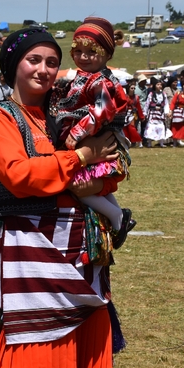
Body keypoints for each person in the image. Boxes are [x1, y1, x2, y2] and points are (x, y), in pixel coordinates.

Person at [0, 27, 122, 368]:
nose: (45, 69)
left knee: (61, 351)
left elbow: (107, 169)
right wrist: (82, 157)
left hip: (73, 248)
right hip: (22, 253)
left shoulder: (61, 115)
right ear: (14, 64)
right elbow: (21, 176)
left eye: (52, 61)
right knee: (24, 349)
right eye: (35, 60)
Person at [53, 17, 136, 248]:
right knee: (90, 185)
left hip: (95, 138)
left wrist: (77, 133)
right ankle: (118, 215)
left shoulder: (101, 81)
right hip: (91, 139)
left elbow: (103, 109)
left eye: (92, 51)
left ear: (107, 54)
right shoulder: (85, 77)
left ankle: (117, 217)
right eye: (78, 51)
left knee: (78, 185)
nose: (83, 56)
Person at [143, 77, 171, 146]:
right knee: (150, 127)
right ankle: (149, 143)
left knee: (161, 126)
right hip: (152, 113)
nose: (159, 86)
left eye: (160, 84)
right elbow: (147, 104)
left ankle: (161, 143)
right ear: (155, 85)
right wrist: (145, 113)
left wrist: (167, 112)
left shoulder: (163, 94)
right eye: (158, 84)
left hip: (160, 113)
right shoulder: (151, 94)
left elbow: (166, 103)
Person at [123, 80, 144, 146]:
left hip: (133, 115)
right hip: (125, 114)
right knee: (125, 128)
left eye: (134, 88)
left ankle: (138, 141)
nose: (133, 89)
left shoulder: (136, 97)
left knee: (132, 128)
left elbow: (139, 108)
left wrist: (141, 117)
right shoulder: (124, 97)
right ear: (128, 89)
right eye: (131, 88)